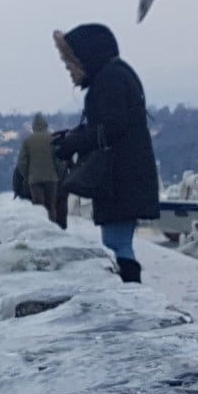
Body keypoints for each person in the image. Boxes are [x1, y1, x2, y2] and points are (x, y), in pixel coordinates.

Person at [51, 23, 159, 282]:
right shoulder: (117, 74)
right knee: (117, 242)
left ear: (86, 55)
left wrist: (75, 142)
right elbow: (111, 125)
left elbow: (111, 127)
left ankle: (132, 295)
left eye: (70, 63)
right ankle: (132, 295)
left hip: (119, 178)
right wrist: (75, 137)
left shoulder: (109, 79)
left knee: (116, 244)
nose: (68, 70)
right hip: (124, 176)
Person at [16, 113, 61, 225]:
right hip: (51, 178)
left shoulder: (28, 141)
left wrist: (27, 176)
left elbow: (22, 162)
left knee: (39, 208)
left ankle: (41, 229)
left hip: (34, 179)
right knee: (51, 205)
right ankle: (53, 228)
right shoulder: (53, 138)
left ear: (33, 126)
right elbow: (60, 159)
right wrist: (59, 174)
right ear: (45, 124)